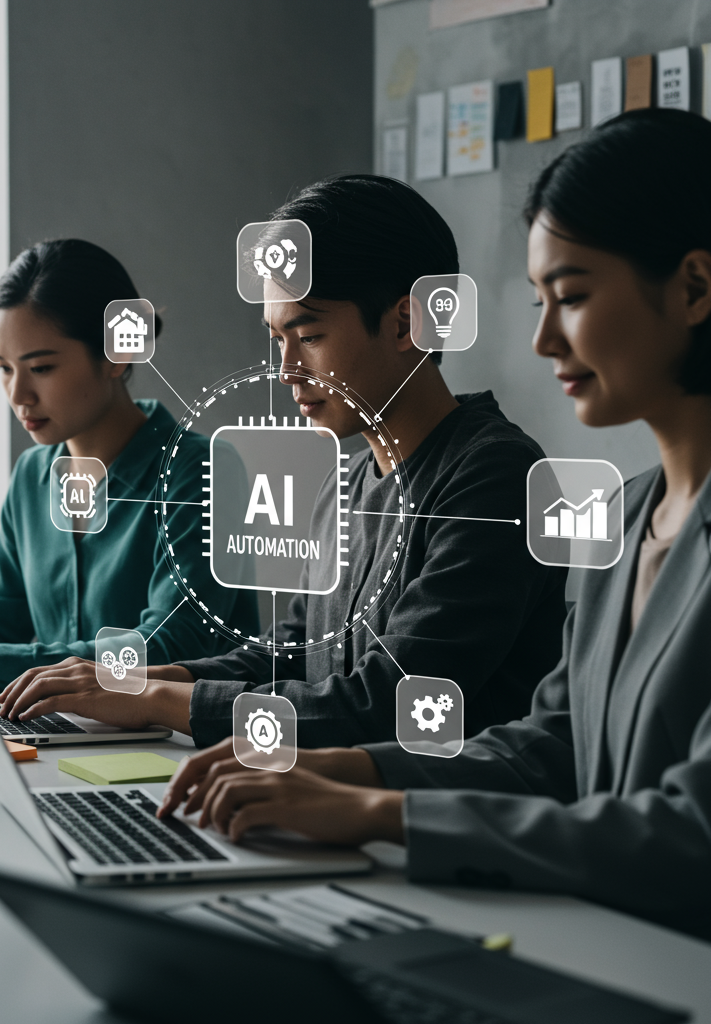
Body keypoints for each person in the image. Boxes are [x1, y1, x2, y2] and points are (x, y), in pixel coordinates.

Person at [159, 109, 711, 940]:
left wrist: (382, 812)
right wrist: (335, 771)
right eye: (537, 301)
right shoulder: (624, 514)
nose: (541, 339)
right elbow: (548, 746)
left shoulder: (499, 476)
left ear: (695, 288)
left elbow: (687, 836)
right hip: (595, 934)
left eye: (572, 297)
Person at [0, 175, 568, 747]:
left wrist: (157, 699)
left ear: (404, 323)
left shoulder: (494, 479)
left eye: (308, 335)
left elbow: (385, 702)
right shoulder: (346, 477)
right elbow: (289, 654)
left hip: (422, 827)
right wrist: (146, 680)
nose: (286, 369)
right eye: (277, 339)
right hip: (326, 809)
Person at [0, 239, 259, 691]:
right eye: (5, 368)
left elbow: (169, 647)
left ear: (117, 355)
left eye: (41, 368)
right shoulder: (33, 474)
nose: (17, 395)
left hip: (175, 749)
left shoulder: (201, 470)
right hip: (62, 738)